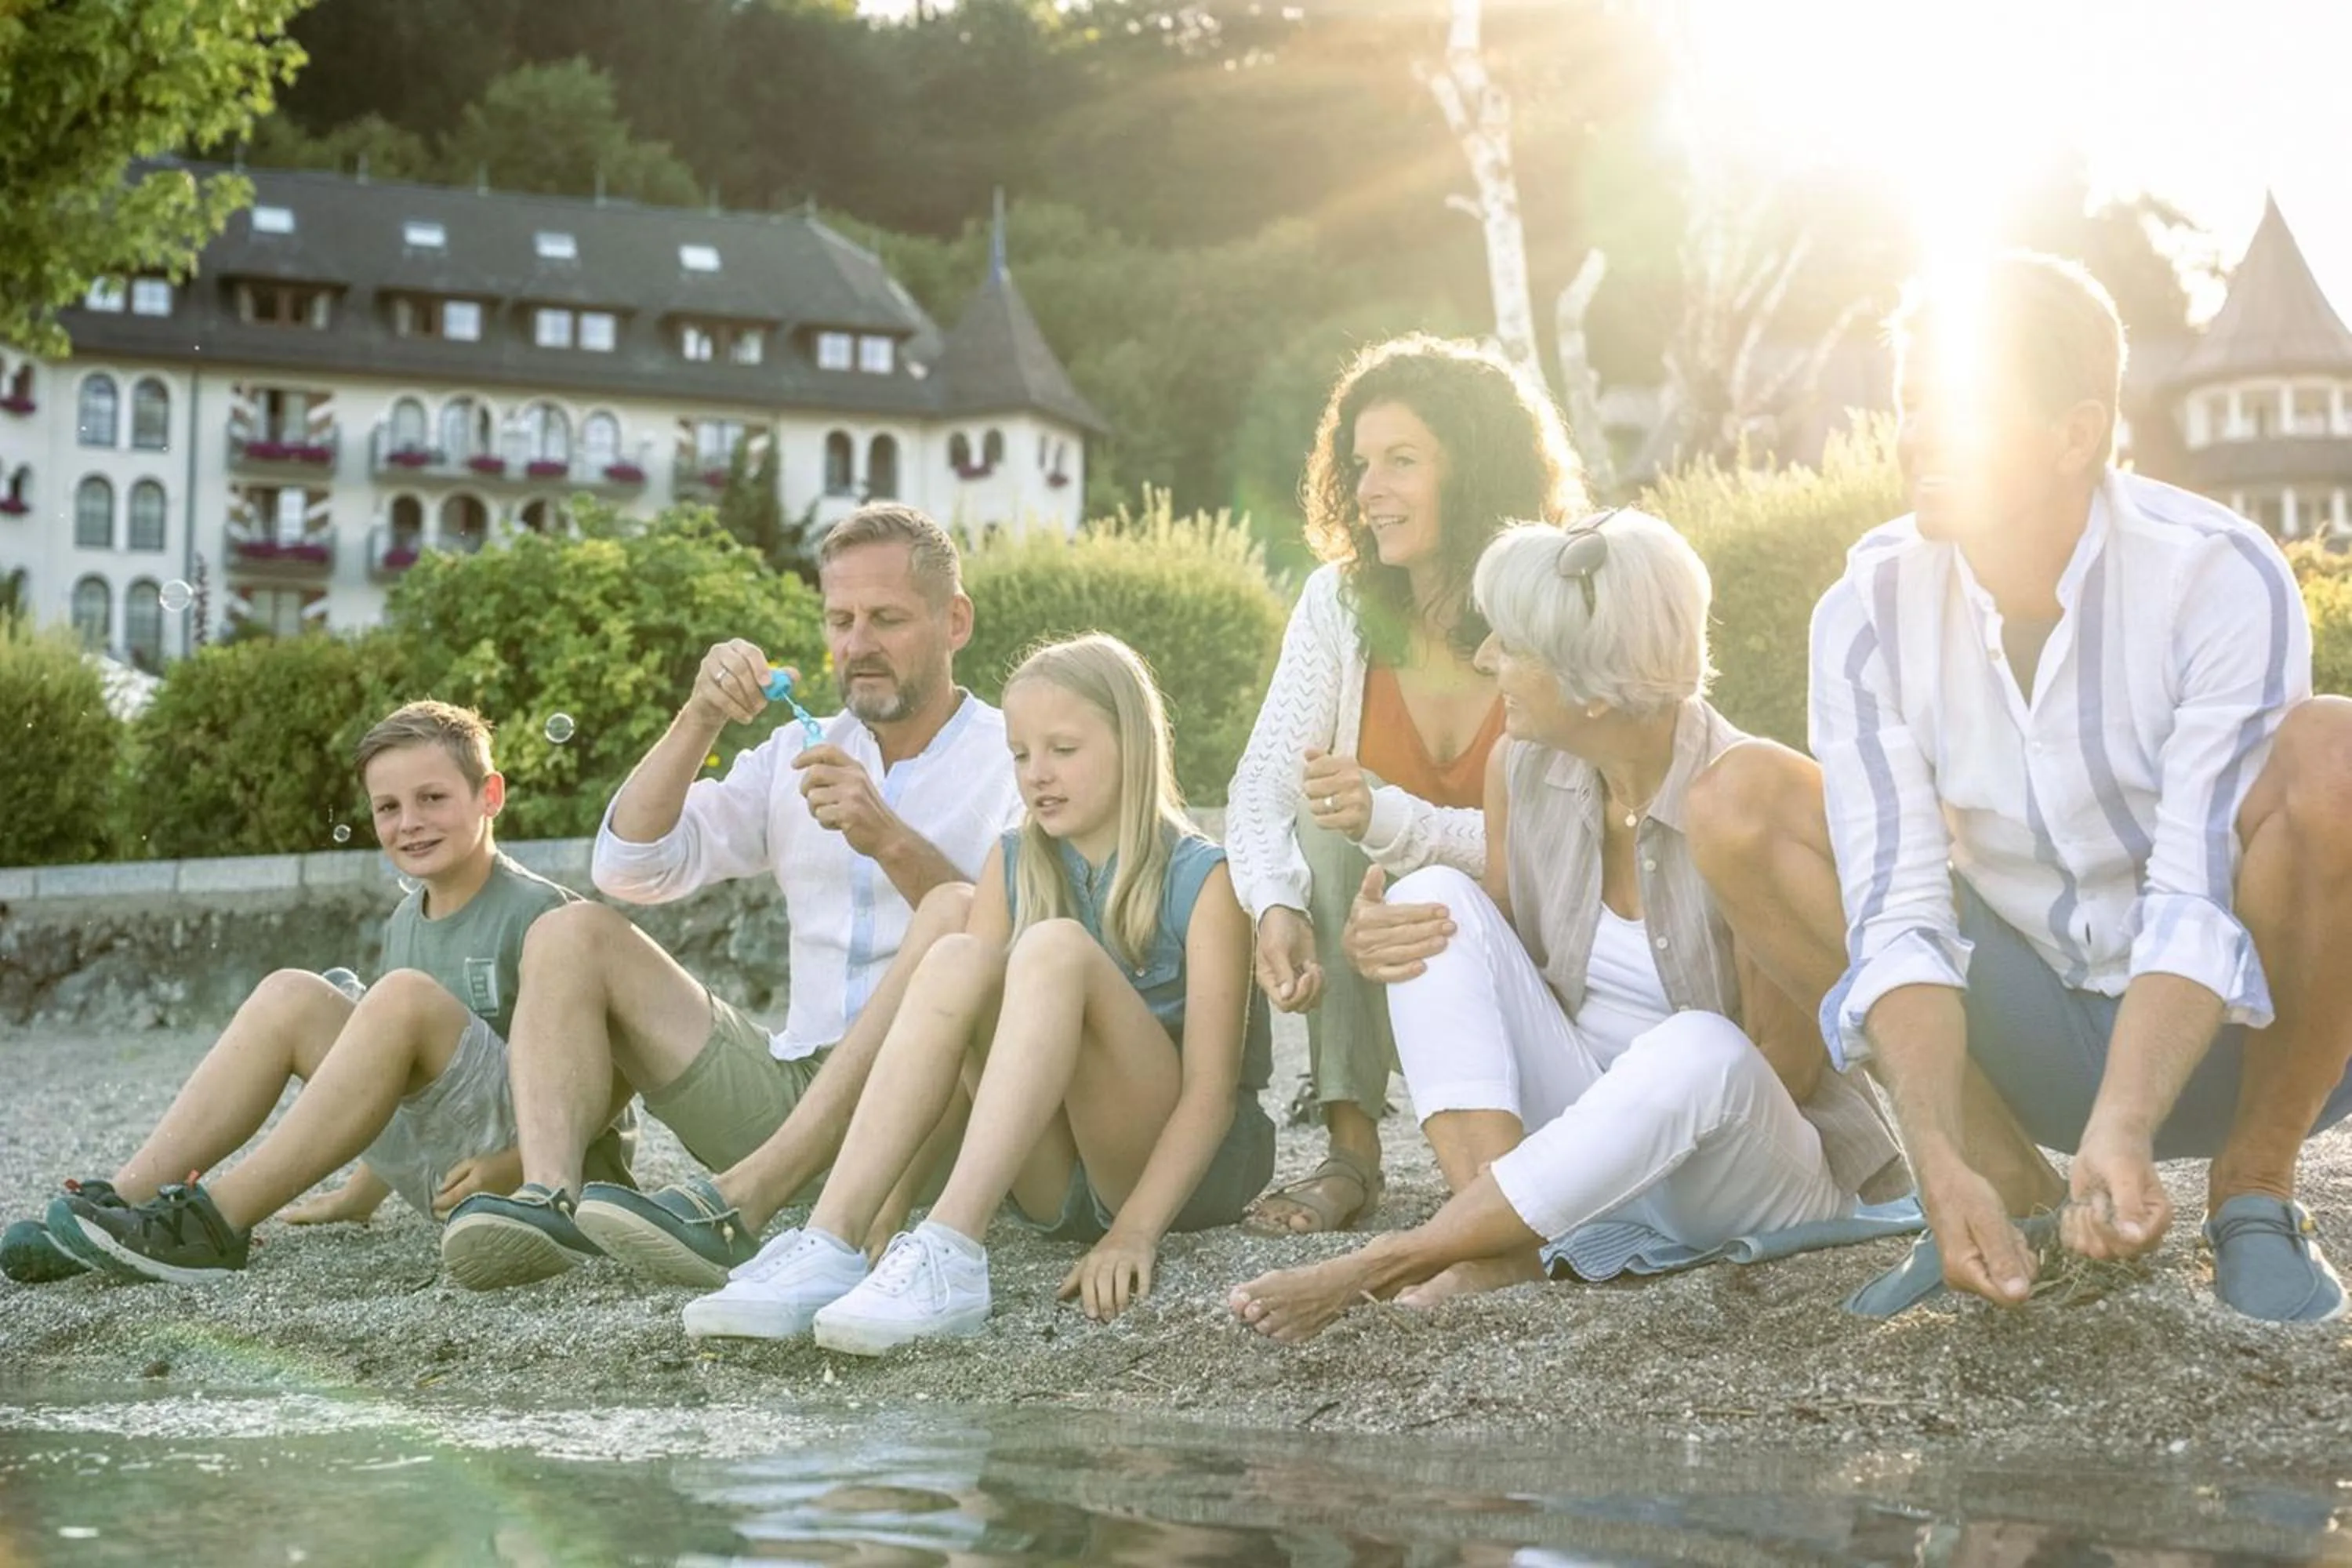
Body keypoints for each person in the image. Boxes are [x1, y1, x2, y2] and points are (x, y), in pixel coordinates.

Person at [1692, 252, 2352, 1322]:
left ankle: (2257, 1194)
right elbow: (1897, 914)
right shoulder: (1866, 609)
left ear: (2075, 434)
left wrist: (2130, 1122)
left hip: (2245, 1026)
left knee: (2336, 754)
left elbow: (2193, 893)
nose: (1918, 437)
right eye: (1912, 405)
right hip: (2029, 1026)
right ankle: (1999, 1190)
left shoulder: (2218, 573)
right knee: (1736, 804)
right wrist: (1934, 1152)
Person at [1229, 516, 1907, 1341]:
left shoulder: (1737, 803)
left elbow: (1781, 1070)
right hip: (1582, 1140)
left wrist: (1619, 1133)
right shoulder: (1524, 766)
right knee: (1432, 900)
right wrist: (1381, 938)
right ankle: (1504, 1243)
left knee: (1696, 1045)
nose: (1486, 661)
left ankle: (1397, 1256)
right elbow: (1510, 954)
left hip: (1748, 1159)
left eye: (1510, 646)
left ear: (1593, 687)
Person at [440, 503, 1025, 1290]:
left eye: (887, 618)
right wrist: (702, 714)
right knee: (570, 931)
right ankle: (551, 1198)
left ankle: (769, 1206)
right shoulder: (799, 746)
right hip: (786, 1092)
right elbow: (630, 865)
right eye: (840, 619)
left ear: (955, 620)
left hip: (933, 1110)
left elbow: (1018, 940)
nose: (857, 646)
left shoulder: (1012, 755)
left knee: (966, 940)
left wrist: (888, 836)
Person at [680, 633, 1272, 1353]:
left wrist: (1133, 1234)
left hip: (1170, 1175)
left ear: (1133, 745)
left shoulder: (1204, 878)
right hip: (1055, 1186)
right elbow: (961, 1055)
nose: (1037, 775)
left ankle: (954, 1249)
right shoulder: (1016, 858)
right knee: (959, 953)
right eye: (1021, 755)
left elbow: (1211, 1095)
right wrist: (888, 1214)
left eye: (1064, 749)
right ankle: (830, 1240)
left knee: (1053, 948)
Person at [0, 701, 631, 1286]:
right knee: (293, 994)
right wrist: (360, 1195)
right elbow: (399, 1082)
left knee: (397, 998)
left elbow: (617, 1074)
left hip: (541, 1184)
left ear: (489, 795)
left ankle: (215, 1223)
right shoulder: (406, 921)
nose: (409, 823)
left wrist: (519, 1166)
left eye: (432, 798)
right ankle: (123, 1208)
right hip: (453, 1178)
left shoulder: (540, 912)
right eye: (388, 808)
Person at [1225, 333, 1584, 1236]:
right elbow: (1260, 788)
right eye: (1361, 464)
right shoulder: (1339, 605)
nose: (1371, 488)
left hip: (1534, 935)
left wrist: (1396, 818)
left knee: (1363, 809)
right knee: (1322, 808)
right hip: (1380, 927)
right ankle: (1351, 1152)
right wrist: (1275, 905)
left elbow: (1553, 846)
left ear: (1475, 467)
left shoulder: (1547, 607)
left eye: (1403, 461)